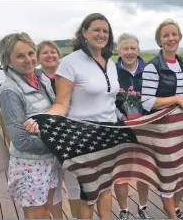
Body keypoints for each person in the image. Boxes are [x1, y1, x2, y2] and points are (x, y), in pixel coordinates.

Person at [24, 12, 118, 219]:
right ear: (84, 32)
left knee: (107, 186)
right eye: (96, 30)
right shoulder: (70, 62)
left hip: (110, 133)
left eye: (105, 30)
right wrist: (41, 118)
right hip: (84, 136)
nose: (101, 34)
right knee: (89, 193)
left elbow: (109, 99)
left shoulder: (110, 63)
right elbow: (61, 103)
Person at [0, 32, 60, 219]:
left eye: (31, 53)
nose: (29, 59)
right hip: (30, 164)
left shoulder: (41, 79)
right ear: (8, 61)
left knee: (46, 210)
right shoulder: (9, 90)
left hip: (48, 160)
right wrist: (57, 143)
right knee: (37, 215)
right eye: (20, 56)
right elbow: (22, 140)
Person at [141, 19, 183, 219]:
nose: (171, 38)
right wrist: (176, 99)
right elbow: (146, 102)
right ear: (159, 40)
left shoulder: (182, 64)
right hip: (163, 128)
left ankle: (174, 207)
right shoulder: (153, 67)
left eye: (174, 34)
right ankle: (172, 215)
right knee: (169, 174)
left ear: (179, 37)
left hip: (182, 126)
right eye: (166, 35)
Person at [37, 40, 83, 219]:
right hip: (48, 141)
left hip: (71, 138)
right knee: (53, 187)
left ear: (59, 55)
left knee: (74, 184)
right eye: (45, 52)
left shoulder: (69, 76)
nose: (50, 55)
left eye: (53, 52)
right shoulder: (35, 80)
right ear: (38, 57)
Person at [114, 33, 152, 219]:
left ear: (138, 49)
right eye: (125, 48)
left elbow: (154, 97)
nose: (129, 52)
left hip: (145, 127)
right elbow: (107, 101)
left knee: (143, 171)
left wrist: (146, 117)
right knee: (121, 171)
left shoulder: (149, 69)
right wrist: (121, 116)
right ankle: (124, 210)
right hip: (120, 128)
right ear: (118, 51)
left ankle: (143, 207)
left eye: (133, 48)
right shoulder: (111, 72)